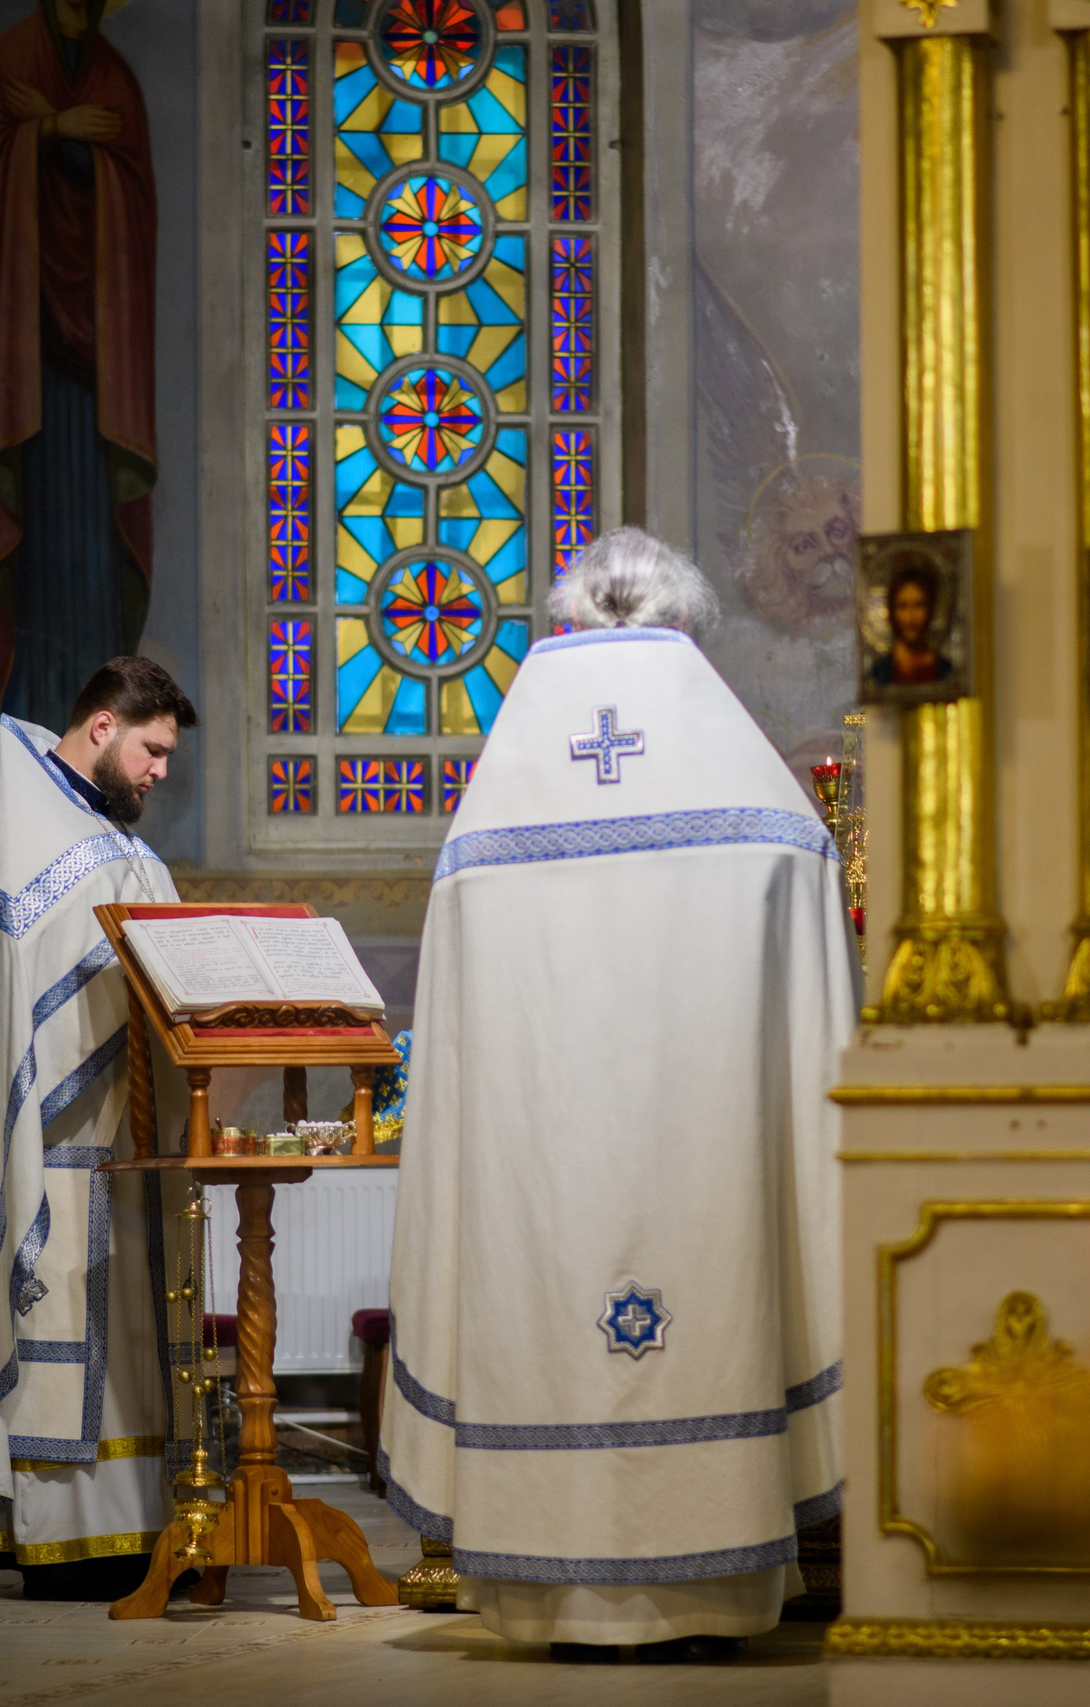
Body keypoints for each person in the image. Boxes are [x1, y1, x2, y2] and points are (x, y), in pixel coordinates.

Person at [382, 528, 855, 1661]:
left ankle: (558, 1593)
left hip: (547, 1180)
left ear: (565, 625)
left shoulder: (490, 824)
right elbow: (816, 1001)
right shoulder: (761, 810)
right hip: (710, 1170)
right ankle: (711, 1589)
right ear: (682, 625)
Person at [0, 654, 197, 1599]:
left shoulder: (93, 832)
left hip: (123, 1140)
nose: (160, 772)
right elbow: (58, 980)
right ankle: (69, 1534)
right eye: (153, 750)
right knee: (65, 1314)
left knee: (124, 1336)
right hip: (57, 1141)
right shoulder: (37, 833)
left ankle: (138, 1525)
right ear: (103, 727)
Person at [0, 0, 156, 778]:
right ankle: (27, 717)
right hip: (26, 363)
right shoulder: (7, 64)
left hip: (94, 380)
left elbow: (132, 204)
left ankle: (94, 725)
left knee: (89, 545)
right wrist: (50, 133)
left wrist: (80, 141)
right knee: (33, 532)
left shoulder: (117, 79)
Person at [868, 555, 951, 689]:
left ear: (930, 610)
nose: (910, 618)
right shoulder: (879, 673)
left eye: (919, 605)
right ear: (892, 611)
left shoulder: (944, 671)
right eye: (903, 606)